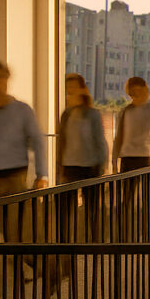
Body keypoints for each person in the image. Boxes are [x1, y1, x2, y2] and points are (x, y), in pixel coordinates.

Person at [0, 61, 46, 246]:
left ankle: (19, 261)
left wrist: (41, 175)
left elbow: (37, 142)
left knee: (14, 230)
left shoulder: (22, 110)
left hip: (14, 178)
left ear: (5, 79)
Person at [57, 73, 109, 237]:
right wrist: (59, 167)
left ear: (82, 89)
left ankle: (93, 241)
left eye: (73, 87)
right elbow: (61, 141)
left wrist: (103, 166)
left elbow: (100, 141)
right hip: (69, 166)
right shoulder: (66, 114)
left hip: (90, 167)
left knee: (92, 209)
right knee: (64, 211)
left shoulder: (92, 114)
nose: (70, 90)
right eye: (68, 87)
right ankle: (65, 243)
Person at [111, 77, 150, 239]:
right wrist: (114, 161)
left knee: (148, 199)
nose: (137, 94)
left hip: (146, 157)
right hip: (128, 157)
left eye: (140, 90)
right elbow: (119, 137)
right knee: (126, 198)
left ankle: (149, 235)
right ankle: (123, 235)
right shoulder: (125, 111)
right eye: (134, 91)